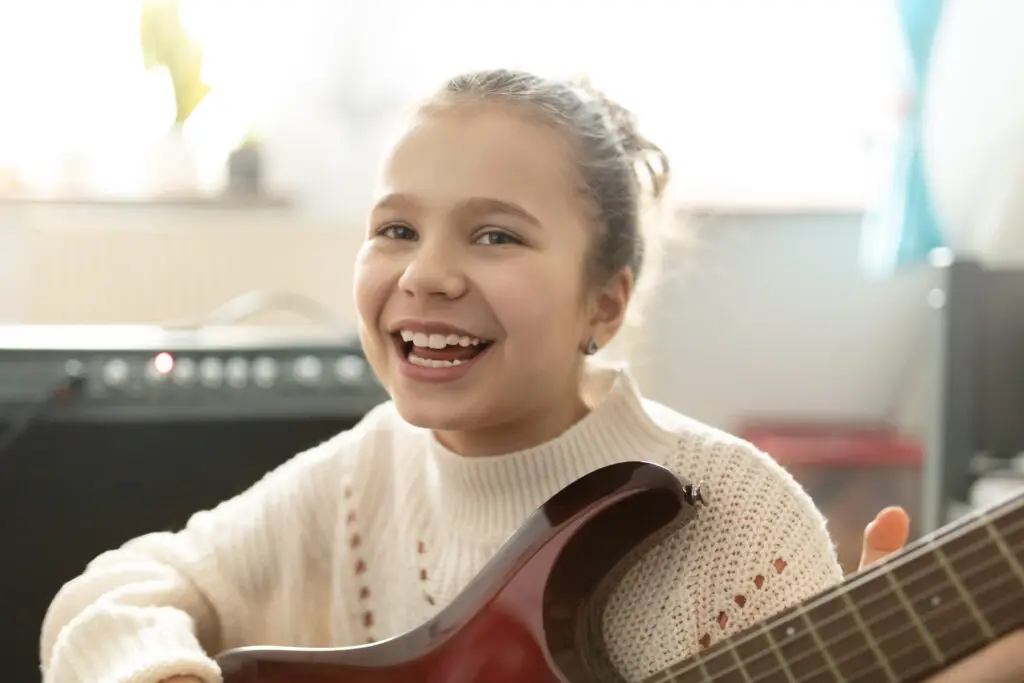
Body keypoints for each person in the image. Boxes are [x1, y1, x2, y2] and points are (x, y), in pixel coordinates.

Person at [40, 69, 1022, 683]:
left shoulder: (741, 519)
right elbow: (108, 594)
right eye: (394, 228)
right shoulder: (360, 475)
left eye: (495, 233)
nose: (425, 271)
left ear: (605, 301)